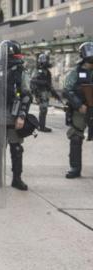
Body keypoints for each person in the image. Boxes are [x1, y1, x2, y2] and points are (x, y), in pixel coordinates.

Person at [0, 40, 32, 191]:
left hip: (13, 117)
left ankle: (17, 178)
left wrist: (22, 115)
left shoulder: (20, 72)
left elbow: (26, 95)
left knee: (16, 149)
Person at [62, 41, 93, 179]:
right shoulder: (75, 72)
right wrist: (79, 104)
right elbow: (67, 91)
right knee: (75, 138)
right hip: (80, 109)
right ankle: (75, 168)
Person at [30, 53, 53, 132]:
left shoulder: (47, 72)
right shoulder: (38, 71)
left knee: (44, 110)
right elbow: (33, 81)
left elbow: (49, 83)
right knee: (43, 110)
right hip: (40, 93)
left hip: (45, 93)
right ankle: (41, 127)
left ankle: (41, 126)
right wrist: (36, 95)